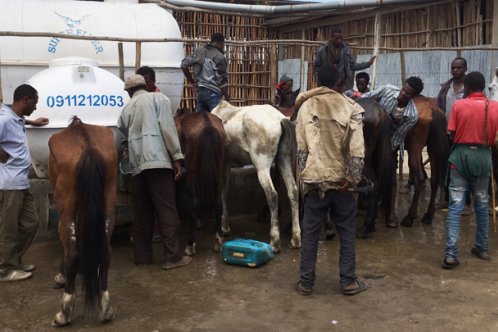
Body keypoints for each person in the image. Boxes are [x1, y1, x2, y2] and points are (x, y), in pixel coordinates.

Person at [294, 63, 367, 296]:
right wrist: (352, 177)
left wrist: (306, 181)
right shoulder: (351, 108)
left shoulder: (305, 106)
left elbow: (301, 151)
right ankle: (348, 282)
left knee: (310, 233)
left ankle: (306, 283)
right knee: (346, 231)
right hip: (342, 184)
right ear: (338, 82)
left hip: (315, 183)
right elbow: (357, 150)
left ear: (317, 81)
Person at [117, 74, 191, 270]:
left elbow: (123, 134)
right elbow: (168, 129)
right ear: (146, 85)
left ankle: (142, 257)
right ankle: (172, 258)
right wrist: (177, 157)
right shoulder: (159, 99)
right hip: (159, 163)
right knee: (166, 210)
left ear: (129, 91)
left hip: (137, 165)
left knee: (141, 213)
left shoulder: (126, 109)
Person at [442, 71, 498, 269]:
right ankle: (482, 248)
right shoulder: (495, 107)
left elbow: (452, 132)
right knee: (482, 204)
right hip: (483, 158)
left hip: (460, 157)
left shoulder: (459, 105)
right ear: (483, 87)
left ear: (466, 86)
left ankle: (450, 255)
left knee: (456, 206)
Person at [0, 84, 49, 282]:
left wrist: (33, 122)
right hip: (8, 183)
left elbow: (18, 120)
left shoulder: (15, 116)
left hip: (21, 182)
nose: (35, 107)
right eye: (34, 103)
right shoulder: (3, 119)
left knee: (31, 222)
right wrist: (4, 157)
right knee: (8, 228)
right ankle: (5, 269)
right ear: (25, 100)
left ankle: (14, 259)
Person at [436, 57, 472, 214]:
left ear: (465, 69)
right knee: (446, 166)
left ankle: (466, 202)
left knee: (464, 167)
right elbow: (439, 109)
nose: (455, 70)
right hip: (447, 133)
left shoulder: (470, 89)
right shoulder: (445, 88)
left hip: (464, 134)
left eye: (459, 68)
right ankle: (445, 198)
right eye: (453, 67)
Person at [360, 76, 424, 153]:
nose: (403, 93)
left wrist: (385, 151)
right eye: (403, 89)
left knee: (389, 164)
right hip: (369, 134)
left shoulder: (412, 116)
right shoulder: (388, 90)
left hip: (387, 140)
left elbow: (398, 136)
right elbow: (366, 97)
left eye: (407, 93)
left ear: (414, 96)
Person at [313, 26, 376, 91]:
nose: (339, 41)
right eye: (336, 39)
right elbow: (316, 66)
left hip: (341, 84)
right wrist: (318, 79)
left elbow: (352, 66)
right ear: (331, 38)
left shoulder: (345, 50)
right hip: (326, 84)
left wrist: (368, 63)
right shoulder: (324, 50)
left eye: (341, 38)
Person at [181, 32, 229, 112]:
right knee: (216, 120)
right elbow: (222, 81)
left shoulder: (198, 52)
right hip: (213, 93)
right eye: (223, 44)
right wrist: (227, 98)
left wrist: (192, 82)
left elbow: (183, 65)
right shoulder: (219, 57)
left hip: (200, 92)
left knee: (200, 120)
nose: (223, 47)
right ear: (221, 42)